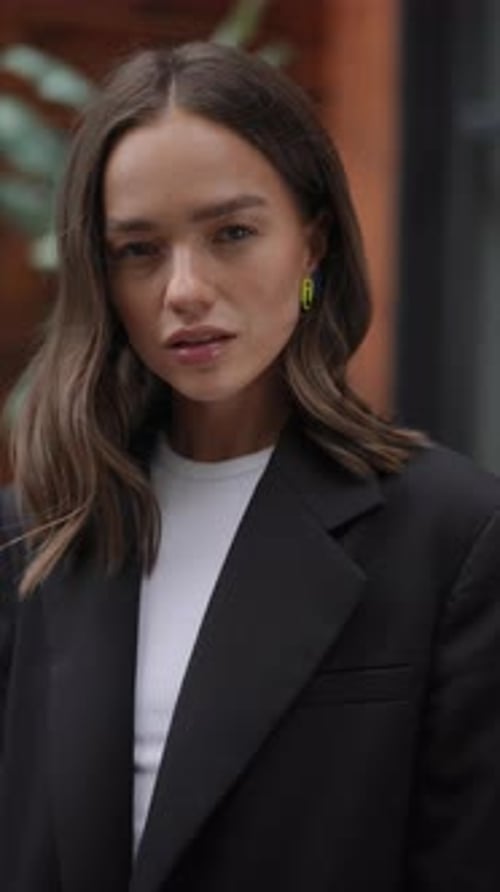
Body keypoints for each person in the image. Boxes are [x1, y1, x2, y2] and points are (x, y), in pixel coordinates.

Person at [1, 41, 500, 892]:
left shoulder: (450, 534)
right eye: (139, 250)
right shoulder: (35, 533)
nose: (184, 289)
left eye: (232, 233)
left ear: (313, 245)